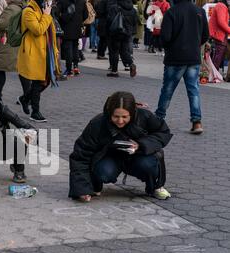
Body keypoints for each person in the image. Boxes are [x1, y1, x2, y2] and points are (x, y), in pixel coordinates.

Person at [69, 91, 173, 202]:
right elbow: (80, 156)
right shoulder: (98, 123)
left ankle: (156, 187)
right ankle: (94, 186)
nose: (120, 121)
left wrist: (141, 144)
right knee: (103, 171)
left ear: (132, 113)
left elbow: (163, 133)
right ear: (109, 113)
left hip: (139, 155)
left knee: (149, 164)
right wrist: (82, 189)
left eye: (125, 117)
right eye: (116, 116)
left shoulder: (145, 116)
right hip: (110, 158)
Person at [155, 0, 209, 134]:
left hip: (175, 57)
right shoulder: (200, 12)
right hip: (193, 57)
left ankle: (159, 118)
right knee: (193, 90)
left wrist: (168, 47)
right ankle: (197, 122)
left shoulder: (171, 12)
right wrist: (195, 45)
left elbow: (165, 37)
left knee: (167, 89)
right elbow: (205, 35)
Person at [16, 0, 61, 123]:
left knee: (45, 81)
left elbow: (51, 32)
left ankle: (25, 99)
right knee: (38, 82)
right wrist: (47, 15)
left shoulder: (44, 10)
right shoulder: (28, 11)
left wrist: (55, 50)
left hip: (46, 52)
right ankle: (35, 112)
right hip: (33, 53)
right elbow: (38, 30)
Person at [0, 0, 25, 101]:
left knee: (0, 67)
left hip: (8, 43)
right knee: (22, 72)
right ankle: (27, 96)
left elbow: (2, 24)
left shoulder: (11, 8)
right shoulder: (22, 7)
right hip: (17, 42)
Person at [105, 0, 137, 77]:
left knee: (114, 51)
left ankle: (114, 71)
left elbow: (109, 20)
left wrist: (108, 31)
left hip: (117, 32)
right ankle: (131, 64)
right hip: (127, 33)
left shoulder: (115, 8)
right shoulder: (133, 9)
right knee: (124, 51)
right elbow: (134, 21)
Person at [57, 0, 88, 77]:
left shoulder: (62, 1)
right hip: (77, 28)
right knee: (75, 47)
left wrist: (63, 16)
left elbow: (57, 14)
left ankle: (69, 69)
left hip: (66, 28)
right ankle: (76, 67)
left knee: (68, 49)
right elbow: (86, 15)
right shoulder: (82, 1)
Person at [208, 0, 230, 70]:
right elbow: (221, 22)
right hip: (219, 34)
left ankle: (214, 74)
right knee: (218, 55)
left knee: (218, 54)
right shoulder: (221, 6)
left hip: (220, 34)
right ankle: (213, 75)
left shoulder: (221, 6)